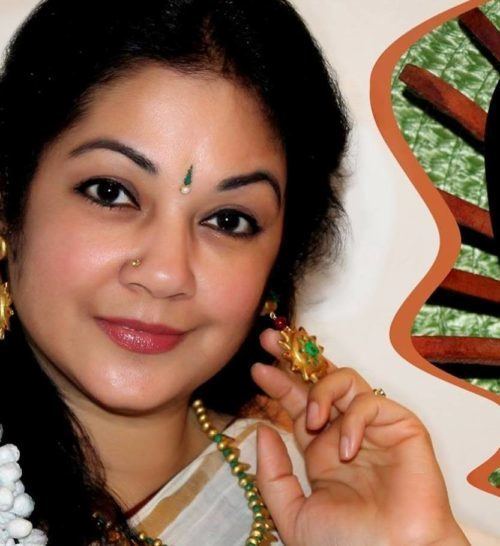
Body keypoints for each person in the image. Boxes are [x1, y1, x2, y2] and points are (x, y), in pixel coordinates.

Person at [0, 0, 471, 544]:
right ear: (11, 198)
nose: (166, 273)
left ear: (277, 264)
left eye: (229, 220)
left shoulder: (307, 489)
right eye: (111, 192)